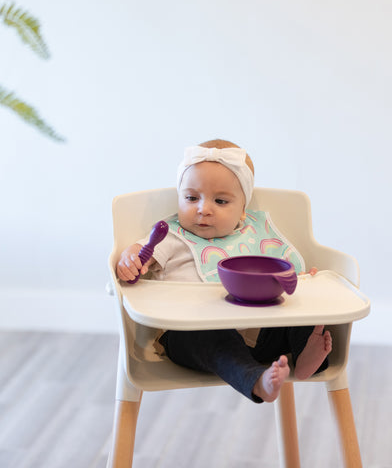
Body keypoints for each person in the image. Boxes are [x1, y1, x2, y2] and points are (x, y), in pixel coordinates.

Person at [116, 139, 332, 403]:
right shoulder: (171, 235)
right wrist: (130, 260)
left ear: (243, 210)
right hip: (191, 334)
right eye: (191, 197)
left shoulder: (257, 236)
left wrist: (302, 282)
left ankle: (307, 355)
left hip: (260, 334)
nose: (202, 209)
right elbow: (140, 253)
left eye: (220, 200)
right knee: (209, 340)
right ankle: (256, 380)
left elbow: (284, 275)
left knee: (305, 310)